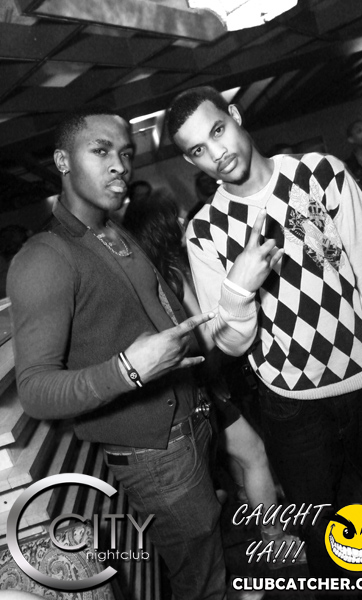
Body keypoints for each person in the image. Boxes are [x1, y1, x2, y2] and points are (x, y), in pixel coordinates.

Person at [166, 86, 362, 587]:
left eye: (218, 131)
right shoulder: (205, 231)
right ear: (190, 160)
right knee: (324, 540)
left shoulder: (321, 174)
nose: (216, 153)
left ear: (235, 115)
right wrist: (237, 291)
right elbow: (230, 344)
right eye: (198, 150)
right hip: (291, 407)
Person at [6, 106, 227, 600]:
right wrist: (128, 369)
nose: (119, 166)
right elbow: (35, 390)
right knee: (203, 585)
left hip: (192, 422)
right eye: (101, 151)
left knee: (207, 561)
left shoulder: (112, 231)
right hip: (156, 453)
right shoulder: (44, 257)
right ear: (63, 161)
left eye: (125, 153)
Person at [123, 188, 306, 561]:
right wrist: (239, 300)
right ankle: (274, 542)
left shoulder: (143, 276)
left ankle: (249, 499)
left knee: (236, 458)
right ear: (160, 228)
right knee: (255, 454)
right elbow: (205, 336)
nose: (183, 221)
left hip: (176, 393)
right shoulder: (172, 273)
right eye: (174, 217)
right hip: (196, 388)